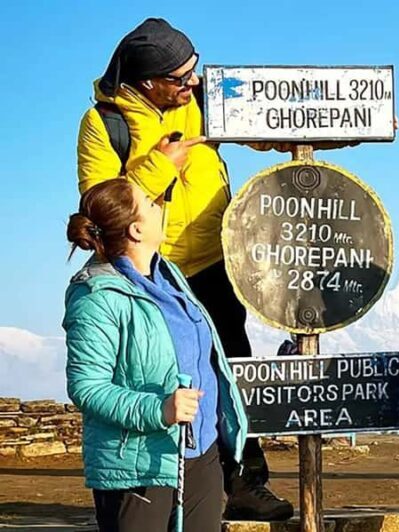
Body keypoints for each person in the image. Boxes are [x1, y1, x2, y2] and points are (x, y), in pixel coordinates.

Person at [75, 18, 292, 520]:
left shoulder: (195, 101)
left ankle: (243, 482)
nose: (193, 83)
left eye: (195, 70)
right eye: (181, 77)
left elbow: (247, 121)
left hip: (217, 260)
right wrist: (159, 165)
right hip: (154, 270)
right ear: (148, 81)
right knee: (161, 375)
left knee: (230, 368)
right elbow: (98, 201)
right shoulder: (103, 124)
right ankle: (163, 482)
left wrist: (284, 137)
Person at [63, 179, 249, 531]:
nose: (160, 205)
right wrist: (159, 410)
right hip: (137, 464)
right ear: (135, 229)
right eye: (150, 203)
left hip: (200, 453)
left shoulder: (169, 275)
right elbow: (87, 387)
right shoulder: (96, 295)